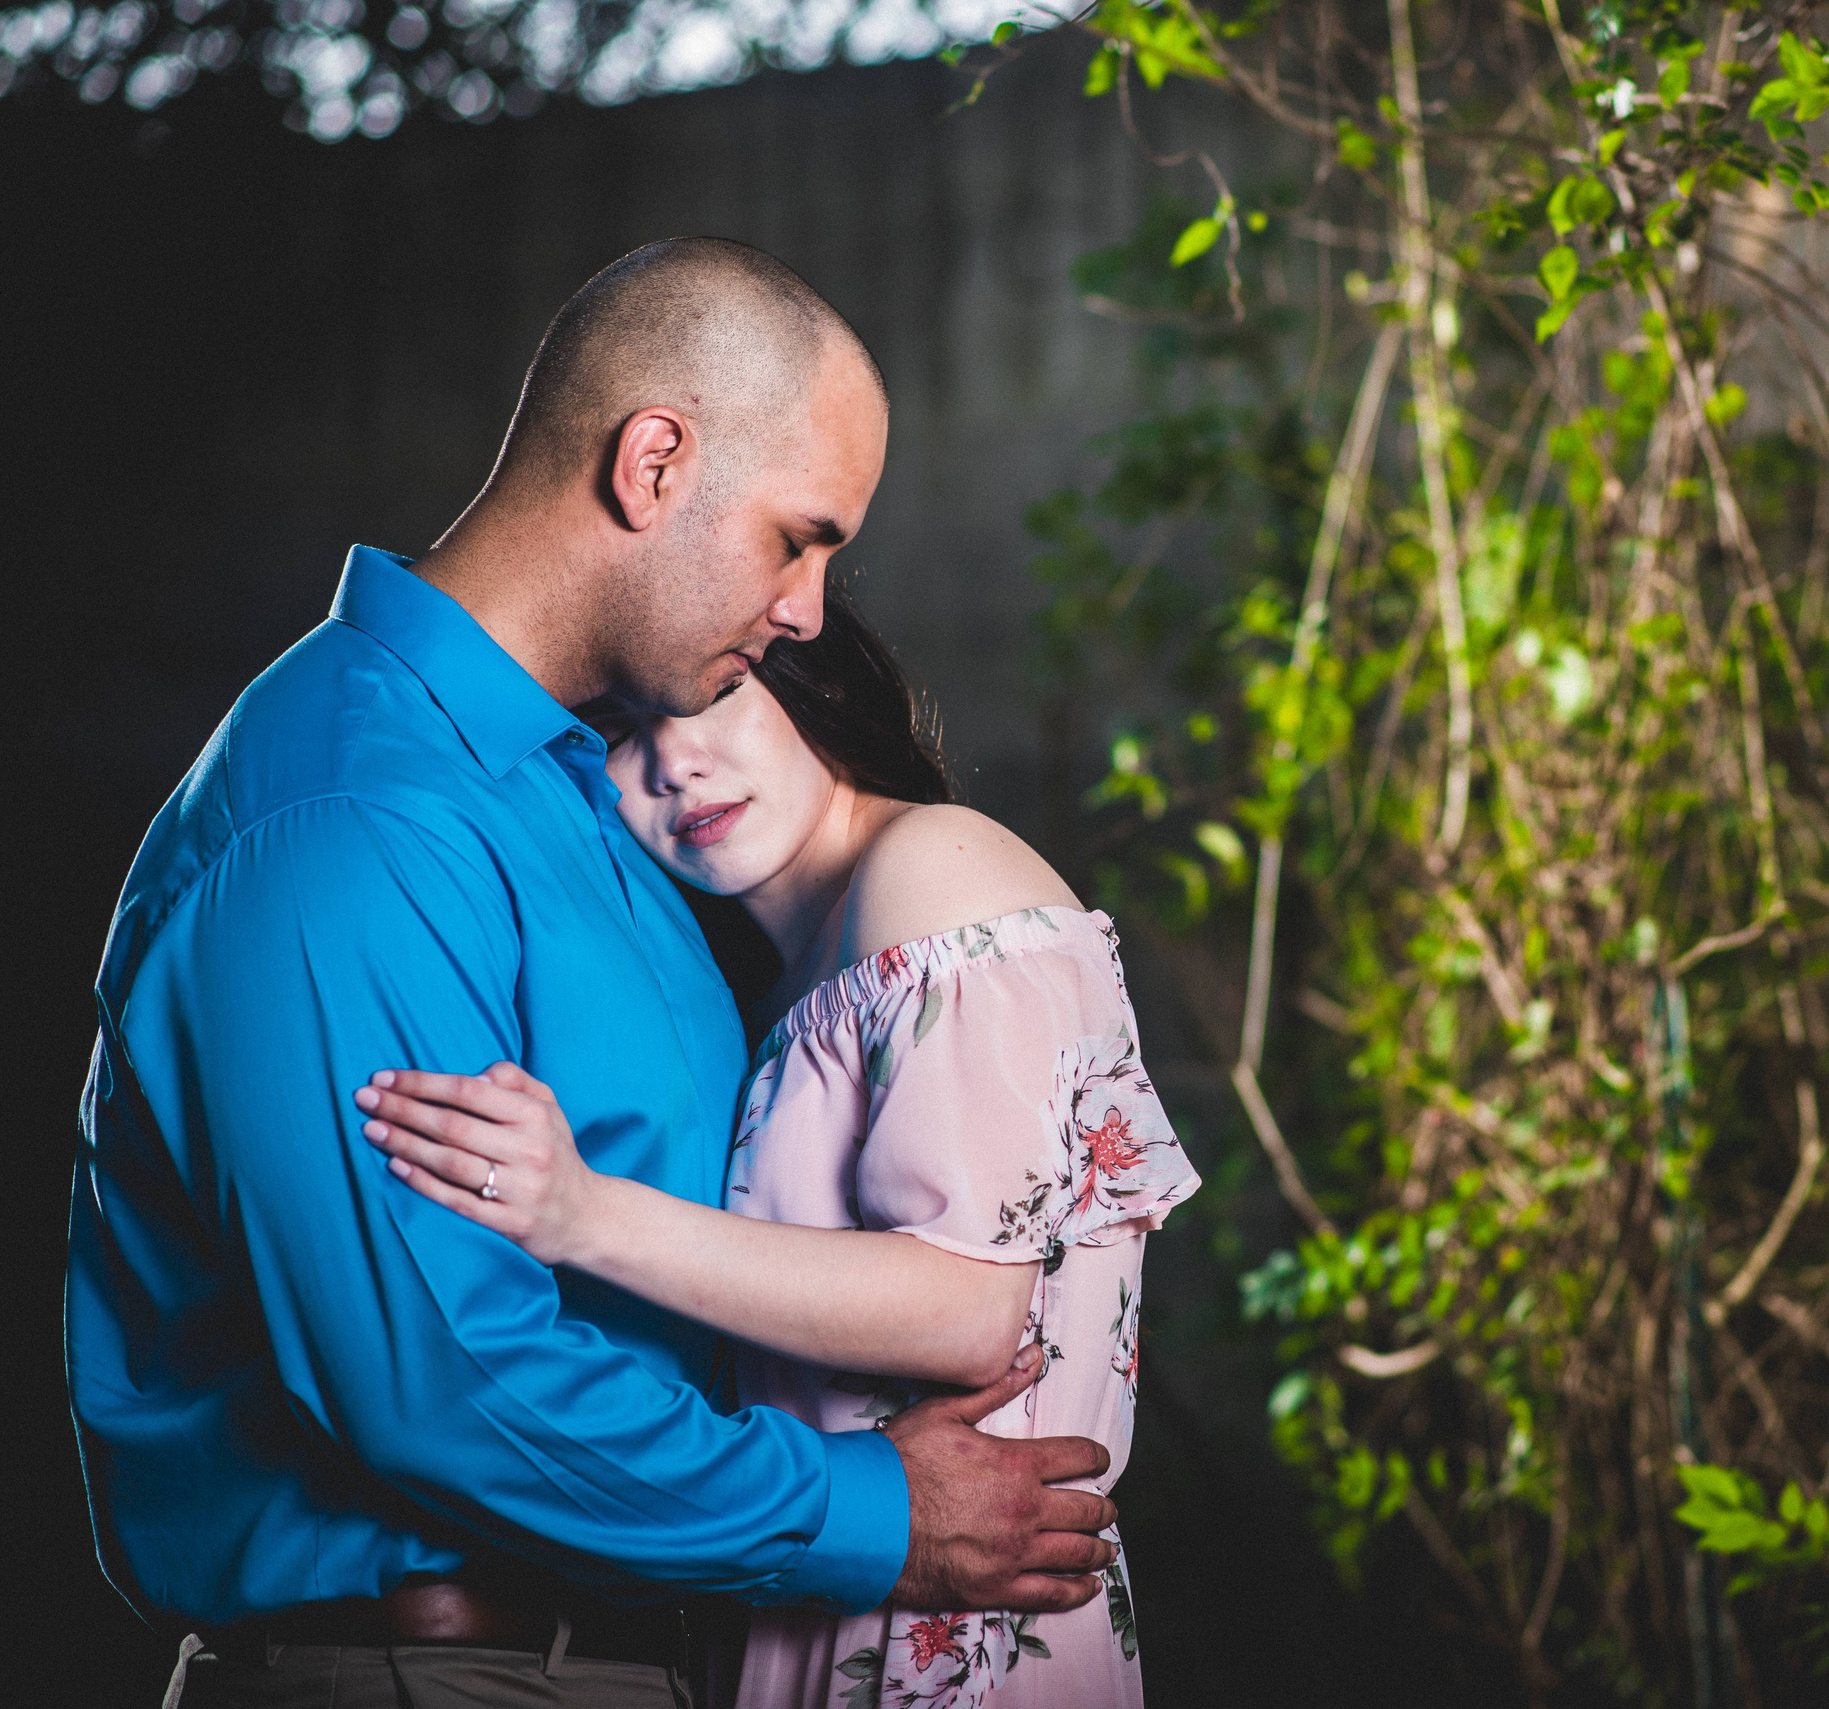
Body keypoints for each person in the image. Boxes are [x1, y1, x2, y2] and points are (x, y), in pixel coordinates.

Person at [67, 238, 1116, 1709]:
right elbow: (439, 1381)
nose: (812, 609)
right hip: (431, 1672)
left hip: (614, 1659)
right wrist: (875, 1515)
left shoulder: (593, 797)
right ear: (655, 463)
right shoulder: (355, 821)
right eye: (797, 538)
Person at [353, 577, 1197, 1709]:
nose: (673, 766)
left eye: (711, 698)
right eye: (620, 735)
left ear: (819, 680)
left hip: (957, 1620)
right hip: (828, 1593)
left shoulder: (933, 866)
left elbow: (966, 1303)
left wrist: (583, 1212)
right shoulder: (786, 971)